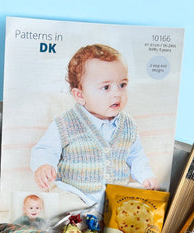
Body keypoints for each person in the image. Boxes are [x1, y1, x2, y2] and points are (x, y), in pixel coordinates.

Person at [30, 44, 157, 213]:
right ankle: (75, 222)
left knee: (136, 207)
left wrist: (145, 176)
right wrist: (44, 165)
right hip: (74, 193)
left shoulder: (128, 125)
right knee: (57, 204)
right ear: (80, 95)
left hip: (112, 197)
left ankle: (100, 222)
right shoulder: (66, 123)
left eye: (122, 85)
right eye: (106, 87)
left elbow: (136, 156)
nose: (117, 93)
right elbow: (45, 149)